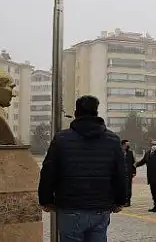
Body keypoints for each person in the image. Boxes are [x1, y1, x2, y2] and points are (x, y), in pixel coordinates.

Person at [38, 95, 126, 242]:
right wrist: (120, 200)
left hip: (70, 207)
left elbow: (48, 171)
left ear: (76, 113)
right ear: (96, 112)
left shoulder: (61, 139)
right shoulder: (112, 140)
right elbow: (120, 174)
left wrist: (46, 199)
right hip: (100, 207)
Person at [135, 139, 156, 213]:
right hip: (151, 177)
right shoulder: (148, 153)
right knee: (153, 192)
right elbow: (143, 161)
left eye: (155, 144)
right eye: (152, 144)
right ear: (150, 145)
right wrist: (135, 165)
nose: (154, 146)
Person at [122, 139, 136, 207]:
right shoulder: (119, 152)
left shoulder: (130, 153)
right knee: (122, 187)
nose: (127, 146)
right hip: (121, 173)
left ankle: (128, 202)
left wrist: (134, 172)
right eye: (126, 144)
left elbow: (133, 163)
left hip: (128, 173)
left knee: (128, 188)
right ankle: (122, 201)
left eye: (128, 145)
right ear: (123, 145)